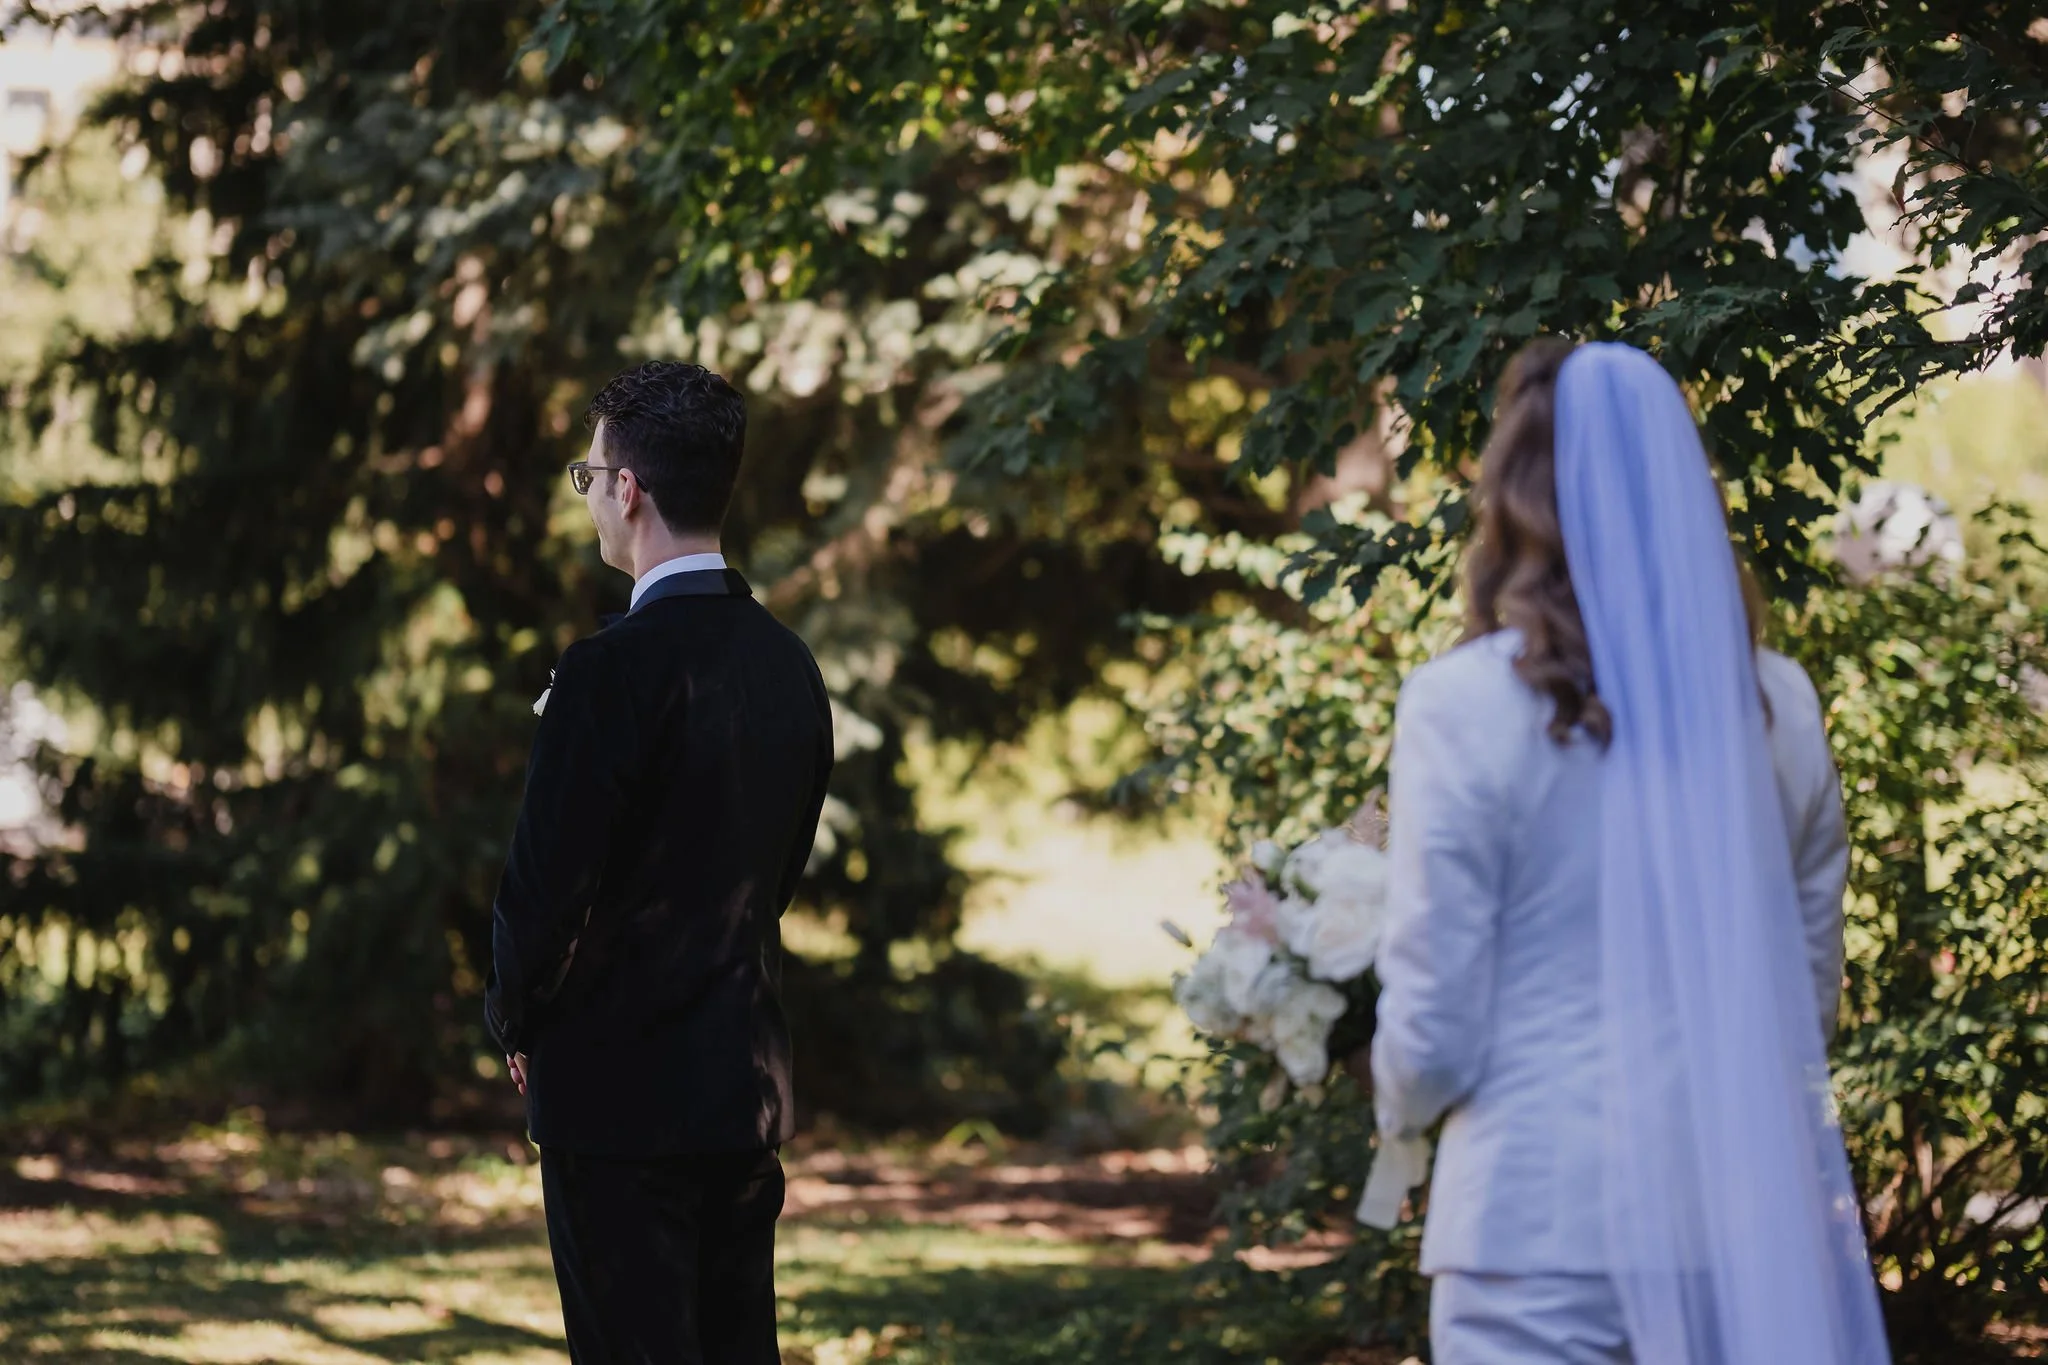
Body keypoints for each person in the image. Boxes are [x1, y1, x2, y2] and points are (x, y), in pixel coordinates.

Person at [1369, 340, 1891, 1363]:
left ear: (1509, 502)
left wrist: (1387, 1100)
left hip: (1531, 1230)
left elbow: (1432, 1029)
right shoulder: (1774, 704)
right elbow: (1805, 1001)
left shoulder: (1462, 704)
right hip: (1732, 1234)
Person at [485, 360, 834, 1364]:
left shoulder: (607, 674)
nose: (591, 496)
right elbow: (777, 872)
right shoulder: (787, 665)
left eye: (589, 476)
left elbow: (544, 884)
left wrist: (514, 1014)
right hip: (741, 1085)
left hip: (614, 1093)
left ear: (629, 491)